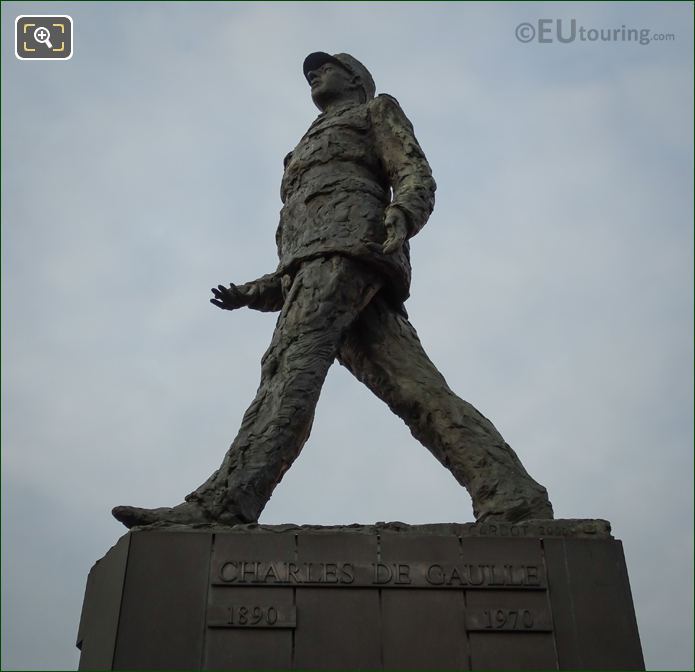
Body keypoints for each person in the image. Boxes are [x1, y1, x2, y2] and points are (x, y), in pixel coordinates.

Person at [113, 52, 553, 528]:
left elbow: (413, 173)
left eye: (324, 69)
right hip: (320, 264)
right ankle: (514, 497)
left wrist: (403, 214)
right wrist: (260, 289)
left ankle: (222, 505)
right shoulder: (302, 146)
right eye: (309, 73)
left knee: (289, 367)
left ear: (355, 78)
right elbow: (305, 234)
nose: (313, 76)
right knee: (413, 387)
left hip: (355, 250)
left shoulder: (375, 110)